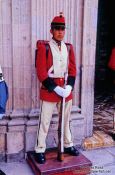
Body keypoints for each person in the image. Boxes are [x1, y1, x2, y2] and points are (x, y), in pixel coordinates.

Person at [34, 12, 79, 164]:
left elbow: (72, 69)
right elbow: (41, 72)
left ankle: (68, 145)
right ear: (51, 30)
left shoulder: (69, 47)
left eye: (62, 29)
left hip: (65, 91)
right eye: (57, 28)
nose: (60, 31)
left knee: (66, 120)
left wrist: (69, 86)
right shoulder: (43, 47)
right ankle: (39, 149)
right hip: (49, 91)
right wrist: (55, 88)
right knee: (44, 121)